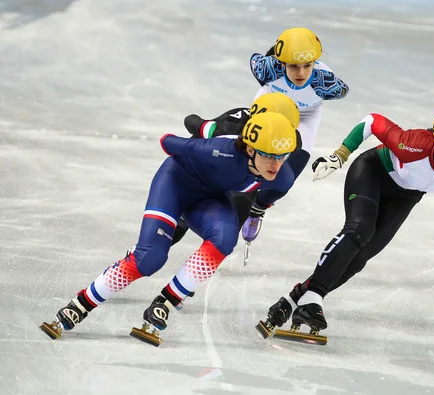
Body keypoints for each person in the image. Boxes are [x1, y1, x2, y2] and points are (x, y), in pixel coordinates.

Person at [40, 112, 298, 346]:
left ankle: (166, 301)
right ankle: (81, 304)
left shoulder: (283, 177)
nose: (275, 164)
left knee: (225, 239)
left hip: (209, 200)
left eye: (281, 156)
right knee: (150, 259)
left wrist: (258, 209)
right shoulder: (223, 150)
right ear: (250, 148)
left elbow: (267, 198)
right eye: (267, 155)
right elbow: (167, 142)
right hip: (175, 183)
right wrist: (205, 137)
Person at [257, 106, 434, 341]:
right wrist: (340, 155)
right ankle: (314, 296)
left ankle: (292, 301)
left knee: (359, 258)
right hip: (373, 172)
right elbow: (372, 121)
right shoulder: (414, 145)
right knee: (359, 229)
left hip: (406, 196)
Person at [241, 27, 349, 245]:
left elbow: (343, 90)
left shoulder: (324, 81)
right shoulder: (268, 69)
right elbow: (254, 60)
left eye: (307, 66)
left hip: (306, 116)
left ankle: (259, 207)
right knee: (249, 157)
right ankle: (234, 192)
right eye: (293, 66)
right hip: (272, 105)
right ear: (282, 63)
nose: (301, 73)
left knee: (285, 178)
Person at [171, 92, 302, 246]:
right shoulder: (231, 126)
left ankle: (199, 266)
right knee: (177, 228)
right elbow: (192, 123)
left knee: (229, 233)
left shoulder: (292, 137)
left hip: (244, 177)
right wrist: (206, 129)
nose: (283, 133)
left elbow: (285, 178)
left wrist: (261, 205)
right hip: (206, 171)